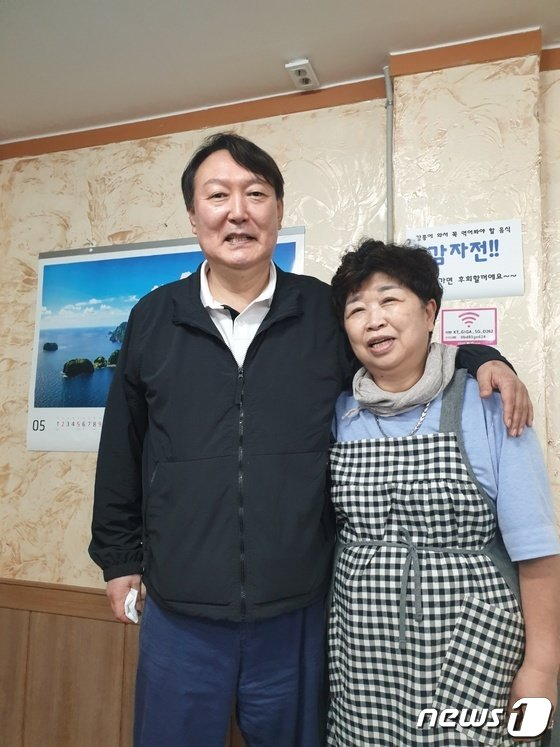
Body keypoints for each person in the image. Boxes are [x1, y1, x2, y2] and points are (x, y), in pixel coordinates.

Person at [89, 132, 533, 747]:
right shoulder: (152, 317)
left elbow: (399, 357)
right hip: (179, 607)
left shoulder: (324, 310)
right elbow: (123, 443)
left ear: (277, 209)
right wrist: (119, 560)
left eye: (255, 194)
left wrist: (484, 357)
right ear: (193, 215)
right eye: (217, 196)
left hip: (298, 608)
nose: (237, 212)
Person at [328, 239, 560, 746]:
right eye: (356, 309)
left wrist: (542, 668)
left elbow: (537, 548)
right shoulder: (339, 412)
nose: (373, 320)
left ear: (430, 312)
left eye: (390, 300)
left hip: (475, 645)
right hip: (362, 656)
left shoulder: (490, 401)